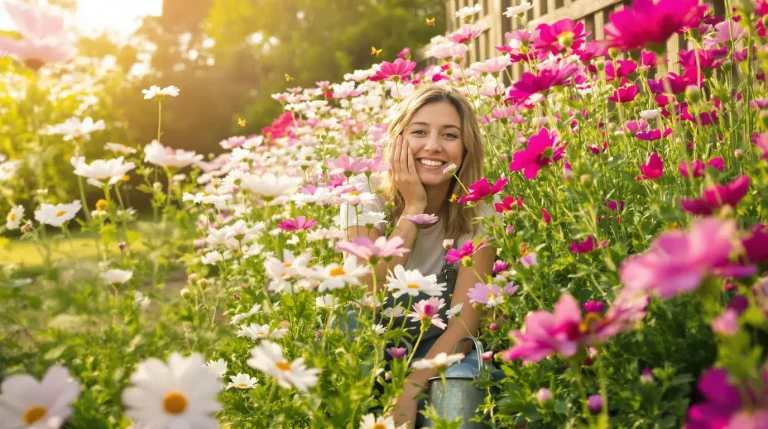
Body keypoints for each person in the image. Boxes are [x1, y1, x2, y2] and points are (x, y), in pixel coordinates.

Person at [339, 84, 496, 428]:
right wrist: (413, 208)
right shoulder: (363, 197)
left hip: (437, 348)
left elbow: (464, 323)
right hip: (363, 346)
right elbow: (369, 290)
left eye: (449, 135)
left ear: (466, 149)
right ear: (397, 141)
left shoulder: (479, 212)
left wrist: (409, 389)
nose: (433, 146)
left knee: (460, 388)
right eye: (419, 132)